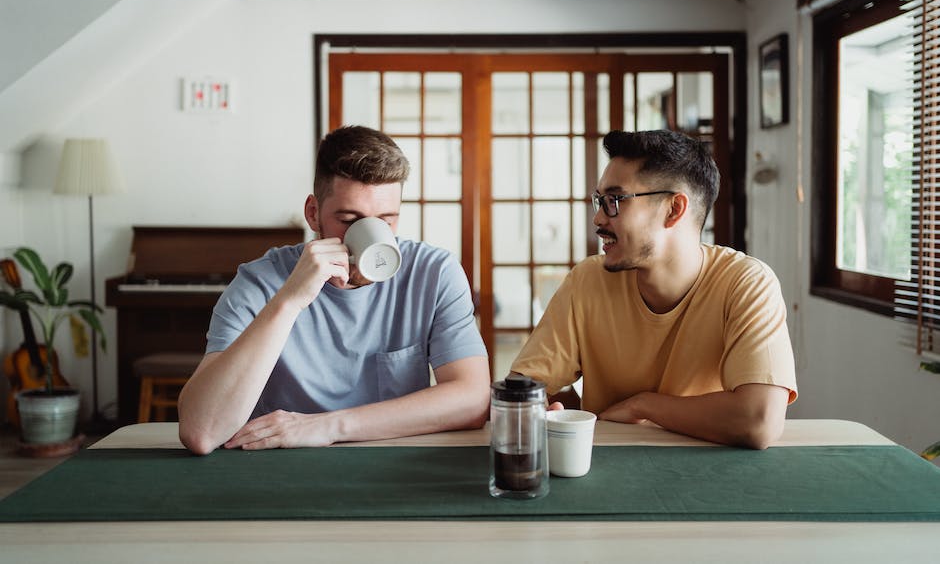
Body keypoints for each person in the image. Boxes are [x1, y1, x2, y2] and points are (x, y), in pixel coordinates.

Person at [179, 125, 490, 455]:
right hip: (279, 468)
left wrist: (329, 426)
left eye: (386, 220)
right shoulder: (261, 281)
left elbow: (473, 399)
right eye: (349, 220)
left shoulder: (434, 272)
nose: (372, 237)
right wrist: (288, 302)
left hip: (393, 462)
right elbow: (201, 431)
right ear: (313, 213)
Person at [511, 129, 797, 450]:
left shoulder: (746, 283)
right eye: (600, 201)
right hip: (610, 467)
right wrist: (535, 408)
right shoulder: (588, 280)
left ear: (673, 209)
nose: (598, 218)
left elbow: (759, 421)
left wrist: (644, 405)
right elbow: (524, 386)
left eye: (615, 201)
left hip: (710, 471)